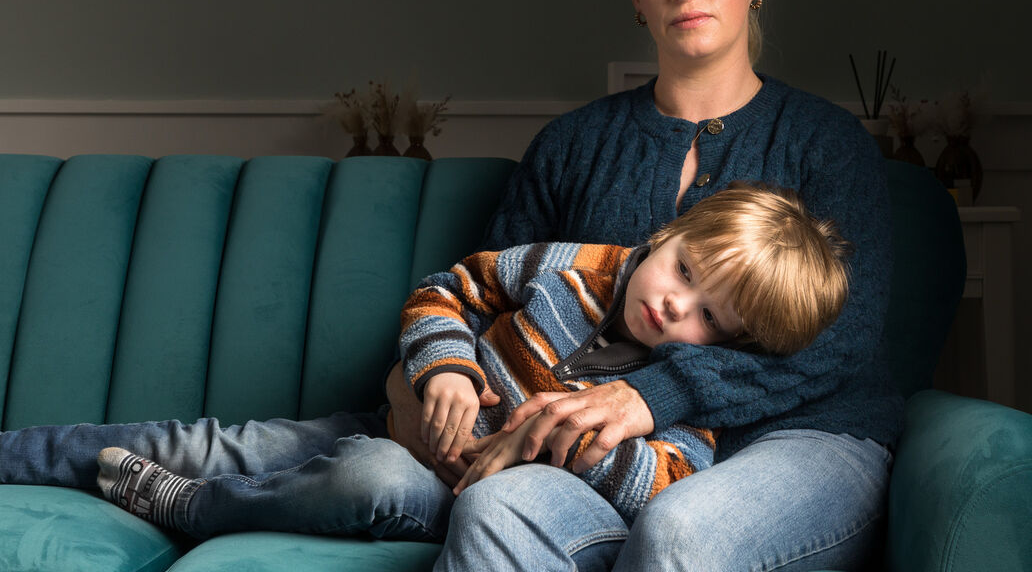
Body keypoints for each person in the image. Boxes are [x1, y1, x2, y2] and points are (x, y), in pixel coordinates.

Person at [399, 0, 906, 572]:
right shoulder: (572, 143)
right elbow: (491, 298)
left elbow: (845, 341)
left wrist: (656, 394)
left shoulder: (829, 145)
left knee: (681, 534)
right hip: (612, 459)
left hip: (805, 438)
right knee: (492, 510)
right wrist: (438, 383)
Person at [0, 182, 849, 543]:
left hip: (438, 492)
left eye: (708, 318)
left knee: (371, 478)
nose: (674, 306)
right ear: (667, 237)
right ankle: (21, 454)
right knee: (217, 439)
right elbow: (451, 291)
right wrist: (445, 370)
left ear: (730, 348)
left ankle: (201, 513)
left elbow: (662, 479)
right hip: (390, 416)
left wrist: (585, 446)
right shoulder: (572, 266)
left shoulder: (677, 405)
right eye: (685, 274)